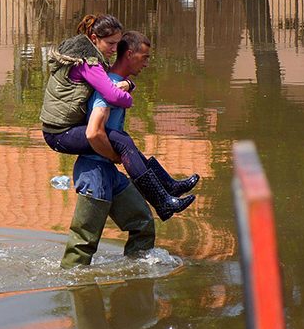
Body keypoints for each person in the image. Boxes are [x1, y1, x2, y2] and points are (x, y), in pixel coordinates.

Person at [41, 16, 199, 221]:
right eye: (111, 43)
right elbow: (112, 95)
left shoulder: (92, 58)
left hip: (67, 130)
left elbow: (109, 82)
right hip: (59, 133)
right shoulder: (89, 63)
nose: (115, 49)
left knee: (125, 142)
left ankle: (167, 189)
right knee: (123, 143)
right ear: (94, 38)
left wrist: (129, 85)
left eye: (117, 43)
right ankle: (162, 200)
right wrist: (129, 96)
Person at [60, 31, 196, 269]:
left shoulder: (118, 84)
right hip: (94, 172)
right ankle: (74, 288)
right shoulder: (109, 85)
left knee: (142, 223)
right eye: (144, 57)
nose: (147, 63)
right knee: (84, 243)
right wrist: (114, 155)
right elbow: (94, 132)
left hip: (110, 173)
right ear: (129, 54)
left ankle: (136, 278)